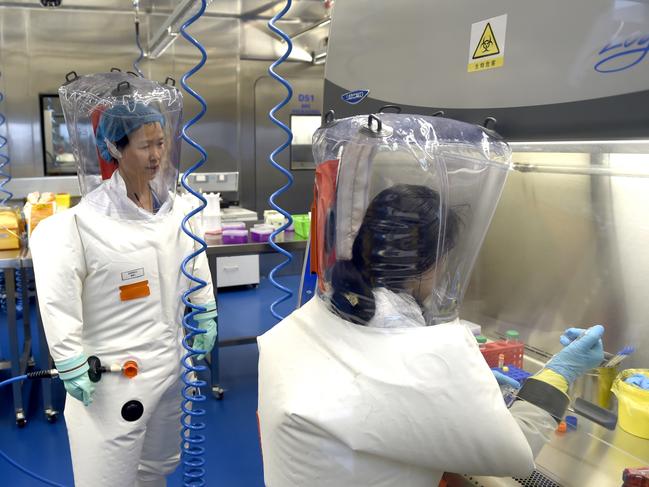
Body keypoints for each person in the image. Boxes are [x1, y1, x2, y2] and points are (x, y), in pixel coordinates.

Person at [257, 114, 605, 486]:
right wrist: (560, 373)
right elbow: (514, 451)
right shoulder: (416, 351)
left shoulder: (320, 314)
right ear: (433, 262)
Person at [30, 73, 216, 487]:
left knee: (157, 469)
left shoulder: (180, 212)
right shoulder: (78, 225)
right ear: (115, 148)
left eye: (161, 142)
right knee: (108, 477)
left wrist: (205, 310)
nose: (156, 155)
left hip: (171, 368)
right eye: (145, 145)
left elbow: (194, 265)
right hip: (113, 381)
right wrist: (69, 360)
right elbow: (58, 301)